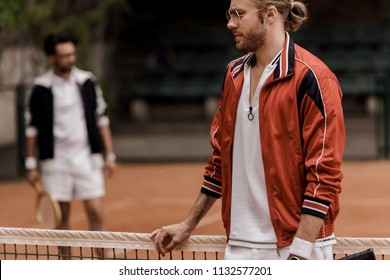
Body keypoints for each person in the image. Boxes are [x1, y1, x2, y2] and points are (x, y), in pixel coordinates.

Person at [150, 0, 345, 260]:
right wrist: (188, 223)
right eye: (230, 14)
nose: (230, 23)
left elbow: (324, 175)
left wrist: (299, 253)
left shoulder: (314, 78)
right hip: (240, 244)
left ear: (270, 14)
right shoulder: (233, 74)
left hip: (297, 247)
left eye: (239, 14)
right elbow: (220, 160)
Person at [24, 32, 117, 256]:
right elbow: (31, 128)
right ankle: (65, 265)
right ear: (51, 57)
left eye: (72, 54)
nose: (70, 59)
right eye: (64, 56)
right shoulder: (39, 88)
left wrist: (110, 155)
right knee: (62, 217)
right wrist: (29, 163)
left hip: (87, 159)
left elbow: (101, 119)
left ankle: (103, 264)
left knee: (96, 212)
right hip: (56, 163)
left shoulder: (87, 82)